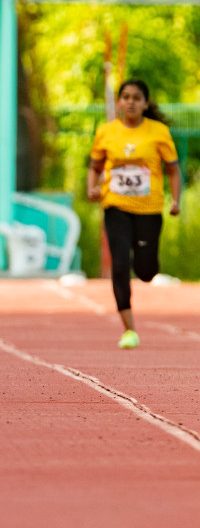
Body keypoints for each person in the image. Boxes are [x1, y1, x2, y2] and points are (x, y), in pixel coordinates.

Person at [87, 78, 181, 349]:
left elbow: (173, 170)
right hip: (115, 205)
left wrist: (175, 200)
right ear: (118, 102)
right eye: (125, 97)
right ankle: (129, 329)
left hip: (149, 208)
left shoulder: (159, 132)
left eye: (136, 97)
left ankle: (147, 266)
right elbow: (94, 167)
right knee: (119, 263)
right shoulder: (106, 132)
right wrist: (92, 189)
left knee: (146, 270)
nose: (130, 102)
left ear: (145, 103)